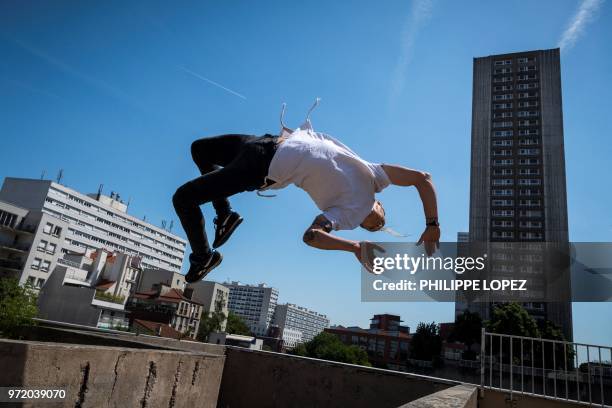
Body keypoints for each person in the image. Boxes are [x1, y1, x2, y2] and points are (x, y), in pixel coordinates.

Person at [172, 105, 440, 283]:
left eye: (372, 228)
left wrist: (354, 247)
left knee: (183, 199)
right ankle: (225, 215)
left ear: (359, 225)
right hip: (264, 143)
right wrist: (432, 224)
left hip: (261, 167)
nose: (377, 223)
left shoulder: (344, 216)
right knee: (199, 149)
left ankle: (203, 256)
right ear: (380, 203)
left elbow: (311, 236)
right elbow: (422, 179)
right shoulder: (374, 176)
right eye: (382, 218)